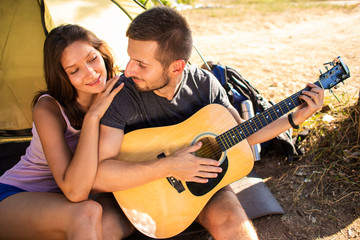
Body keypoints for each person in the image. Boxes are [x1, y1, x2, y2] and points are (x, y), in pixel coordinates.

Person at [93, 6, 324, 240]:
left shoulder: (204, 84)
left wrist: (294, 118)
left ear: (176, 67)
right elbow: (100, 174)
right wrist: (169, 166)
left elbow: (243, 133)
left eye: (141, 64)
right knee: (101, 228)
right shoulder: (122, 95)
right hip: (138, 198)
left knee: (233, 220)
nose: (129, 70)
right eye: (130, 58)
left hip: (201, 192)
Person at [0, 24, 133, 239]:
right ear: (63, 76)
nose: (91, 73)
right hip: (18, 197)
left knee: (121, 220)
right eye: (74, 70)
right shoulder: (48, 109)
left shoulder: (121, 90)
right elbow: (75, 192)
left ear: (102, 53)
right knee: (86, 212)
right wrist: (92, 117)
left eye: (92, 59)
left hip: (81, 199)